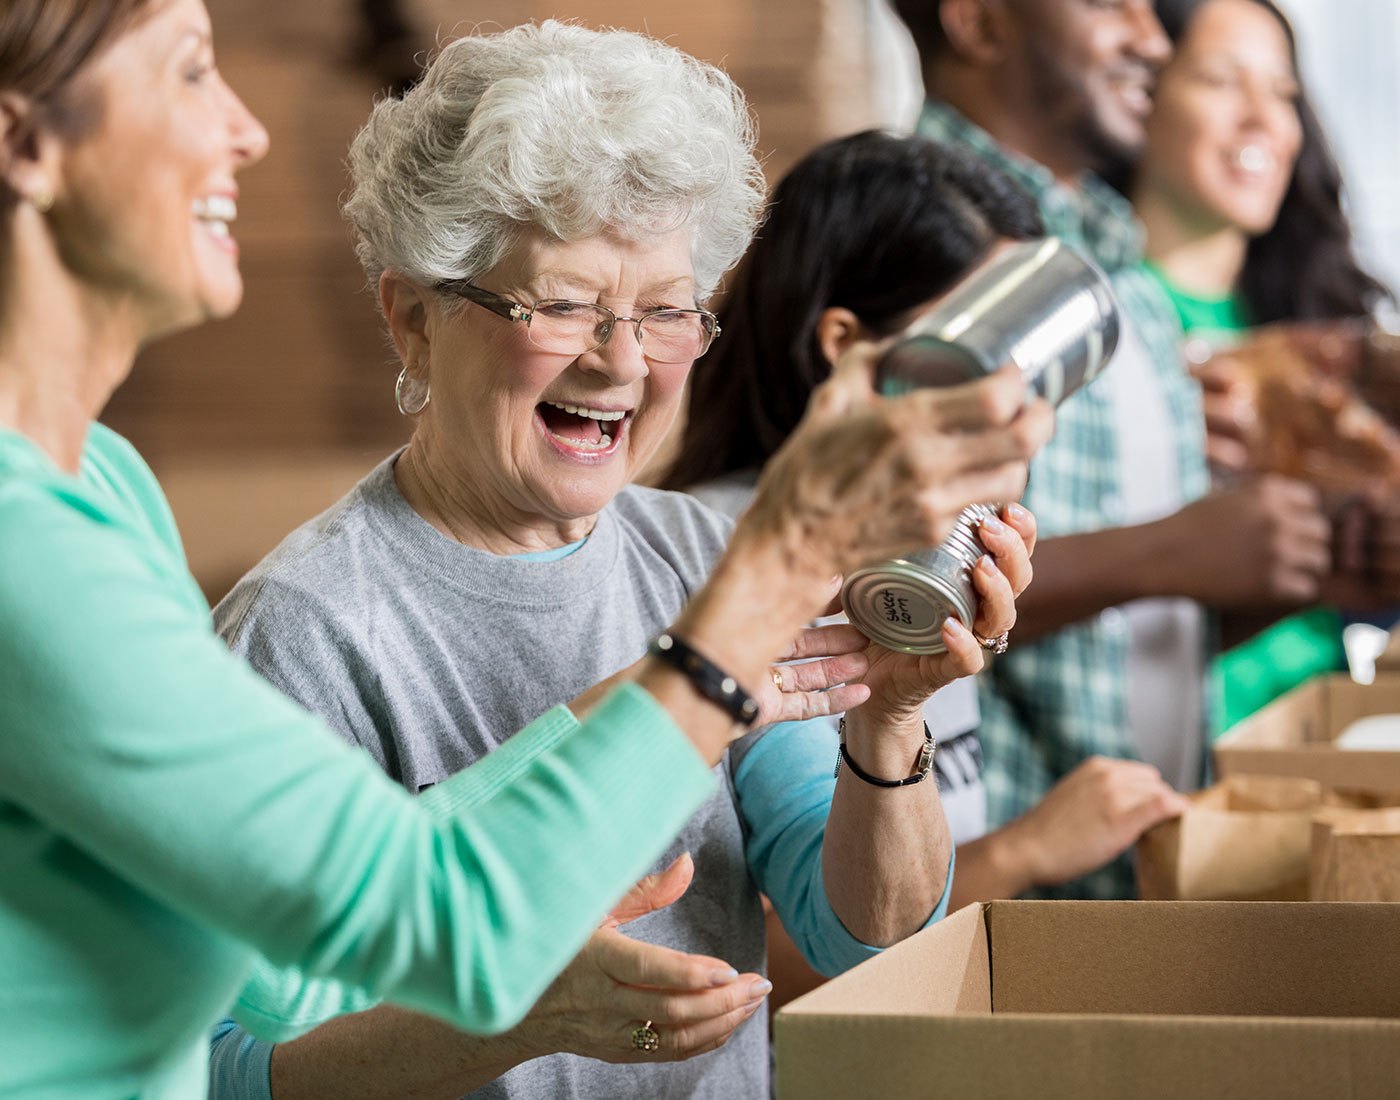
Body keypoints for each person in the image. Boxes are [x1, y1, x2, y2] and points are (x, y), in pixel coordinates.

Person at [0, 4, 1049, 1095]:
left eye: (666, 313)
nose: (619, 362)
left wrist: (885, 713)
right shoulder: (292, 621)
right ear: (411, 319)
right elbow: (283, 1006)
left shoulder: (106, 479)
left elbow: (865, 939)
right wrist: (770, 572)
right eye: (561, 305)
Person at [668, 129, 1185, 924]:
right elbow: (738, 943)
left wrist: (897, 708)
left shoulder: (928, 545)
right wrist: (1026, 852)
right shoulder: (714, 552)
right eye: (980, 342)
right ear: (845, 347)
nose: (1006, 403)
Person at [888, 0, 1333, 897]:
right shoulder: (916, 246)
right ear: (977, 21)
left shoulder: (1116, 262)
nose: (1153, 38)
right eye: (1109, 2)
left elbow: (1123, 633)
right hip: (1000, 902)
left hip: (1130, 878)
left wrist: (1281, 571)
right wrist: (1174, 551)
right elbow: (897, 587)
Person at [1127, 0, 1396, 729]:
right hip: (1172, 746)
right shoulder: (1108, 330)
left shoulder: (1333, 334)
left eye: (1282, 93)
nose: (1264, 121)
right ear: (1137, 91)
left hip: (1327, 726)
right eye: (1222, 81)